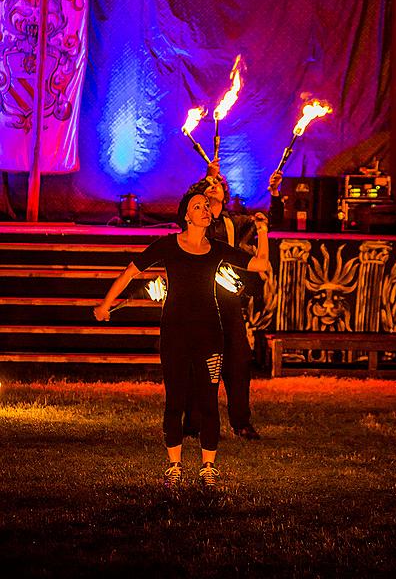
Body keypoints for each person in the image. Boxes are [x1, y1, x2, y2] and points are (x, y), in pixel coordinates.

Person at [93, 190, 270, 488]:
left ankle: (208, 468)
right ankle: (174, 466)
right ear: (186, 217)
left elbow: (261, 264)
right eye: (196, 206)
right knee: (174, 400)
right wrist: (105, 304)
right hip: (175, 333)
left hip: (210, 334)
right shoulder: (168, 246)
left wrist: (263, 232)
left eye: (205, 206)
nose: (203, 209)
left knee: (209, 401)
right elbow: (130, 272)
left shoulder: (217, 249)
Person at [182, 163, 283, 440]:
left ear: (225, 196)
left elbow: (269, 221)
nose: (214, 187)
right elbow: (187, 204)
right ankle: (192, 423)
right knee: (199, 364)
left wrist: (274, 193)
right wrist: (207, 177)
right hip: (200, 302)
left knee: (238, 362)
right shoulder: (194, 221)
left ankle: (241, 423)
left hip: (228, 303)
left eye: (218, 185)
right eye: (208, 186)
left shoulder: (235, 223)